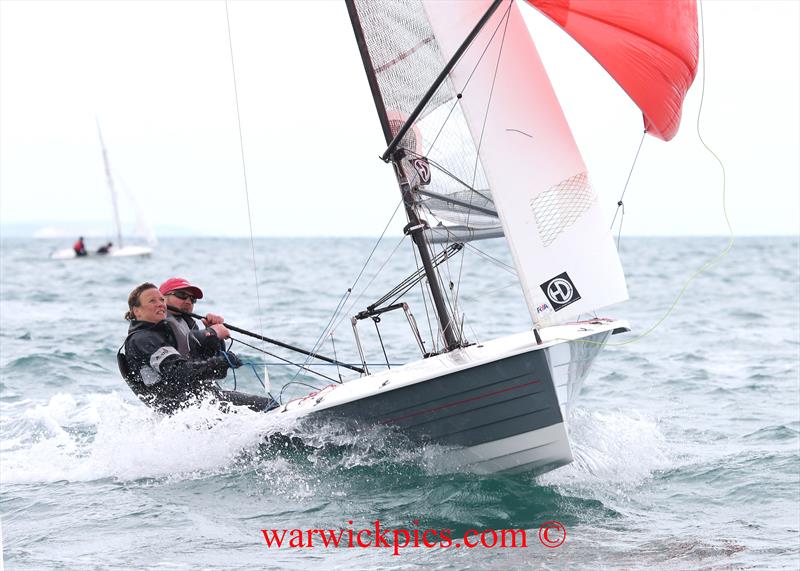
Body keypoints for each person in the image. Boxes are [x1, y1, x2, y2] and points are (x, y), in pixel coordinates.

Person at [119, 282, 277, 415]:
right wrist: (220, 360)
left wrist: (218, 351)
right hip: (185, 407)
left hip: (198, 400)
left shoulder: (162, 333)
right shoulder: (143, 339)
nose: (160, 303)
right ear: (136, 310)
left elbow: (210, 372)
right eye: (152, 301)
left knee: (268, 406)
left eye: (161, 300)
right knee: (270, 406)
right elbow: (177, 372)